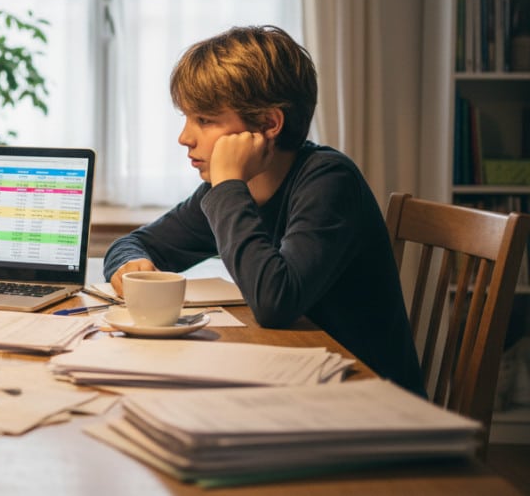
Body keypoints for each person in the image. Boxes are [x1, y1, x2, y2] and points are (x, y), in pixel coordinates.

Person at [102, 25, 425, 395]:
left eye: (205, 120)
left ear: (269, 123)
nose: (185, 137)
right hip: (294, 384)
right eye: (186, 118)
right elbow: (137, 243)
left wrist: (227, 186)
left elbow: (275, 302)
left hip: (367, 400)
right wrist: (131, 264)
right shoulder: (233, 190)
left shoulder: (329, 182)